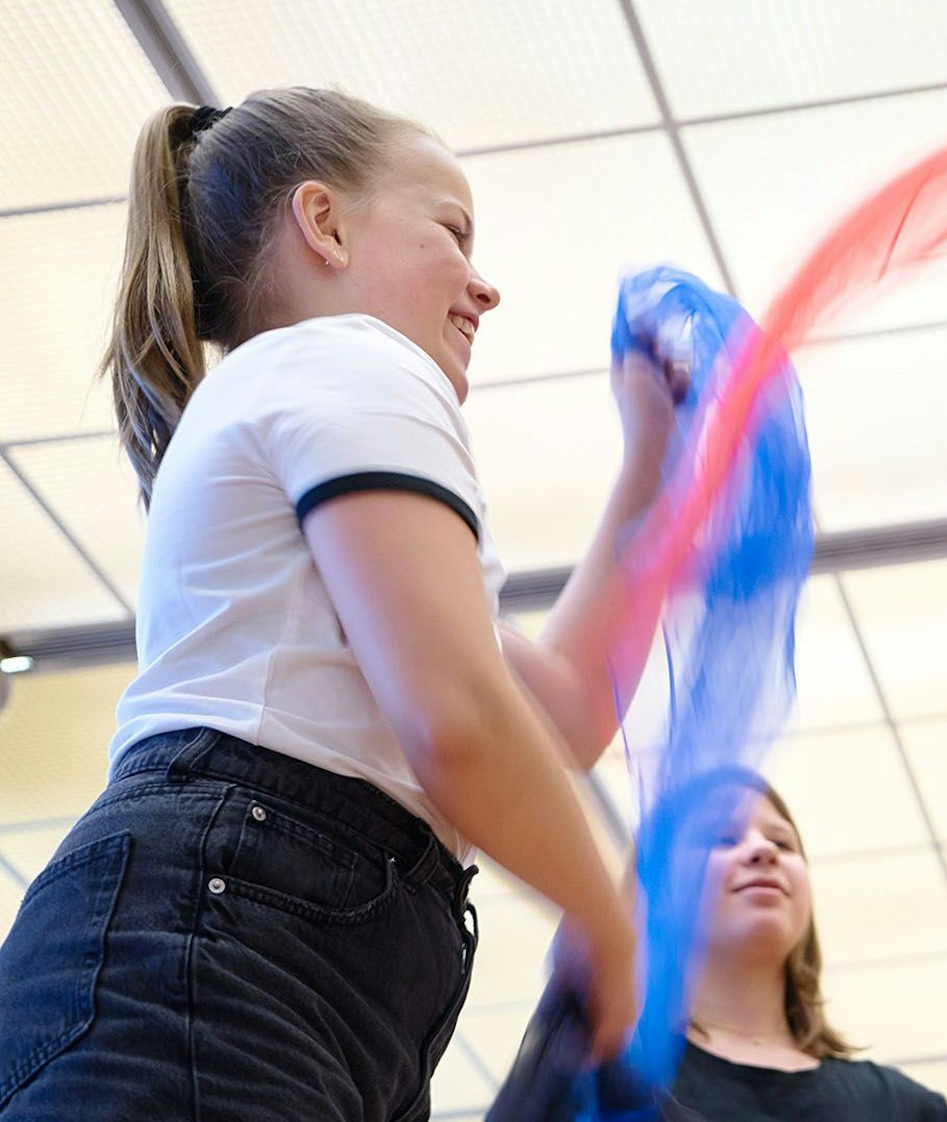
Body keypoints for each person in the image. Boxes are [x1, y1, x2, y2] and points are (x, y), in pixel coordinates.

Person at [0, 87, 686, 1119]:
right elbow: (460, 720)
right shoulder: (349, 357)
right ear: (323, 223)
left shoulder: (295, 414)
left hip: (245, 952)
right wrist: (609, 923)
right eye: (453, 230)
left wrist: (656, 462)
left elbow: (562, 718)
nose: (486, 285)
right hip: (224, 939)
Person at [638, 772, 947, 1121]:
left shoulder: (901, 1107)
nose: (764, 850)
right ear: (654, 892)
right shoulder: (621, 1077)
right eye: (722, 839)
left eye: (783, 843)